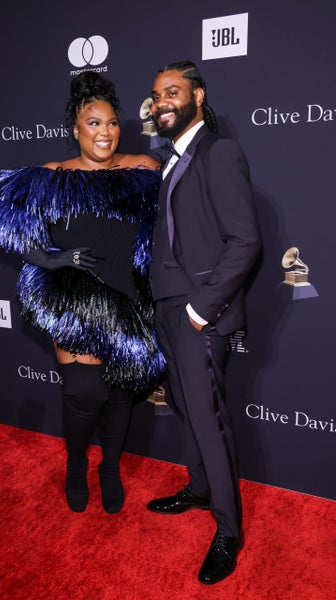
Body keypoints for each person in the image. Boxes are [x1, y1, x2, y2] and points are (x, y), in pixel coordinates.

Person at [0, 72, 164, 515]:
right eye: (94, 123)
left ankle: (110, 467)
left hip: (131, 296)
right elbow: (3, 222)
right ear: (76, 128)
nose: (105, 132)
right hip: (75, 301)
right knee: (85, 395)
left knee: (120, 394)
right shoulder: (51, 176)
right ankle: (77, 462)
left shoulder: (144, 168)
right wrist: (51, 260)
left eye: (112, 122)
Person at [147, 61, 261, 584]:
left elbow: (246, 241)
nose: (161, 103)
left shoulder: (218, 152)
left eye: (172, 92)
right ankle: (199, 489)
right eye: (156, 96)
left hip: (198, 313)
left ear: (198, 95)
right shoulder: (168, 161)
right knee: (186, 407)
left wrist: (200, 310)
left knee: (209, 421)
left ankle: (229, 530)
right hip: (168, 309)